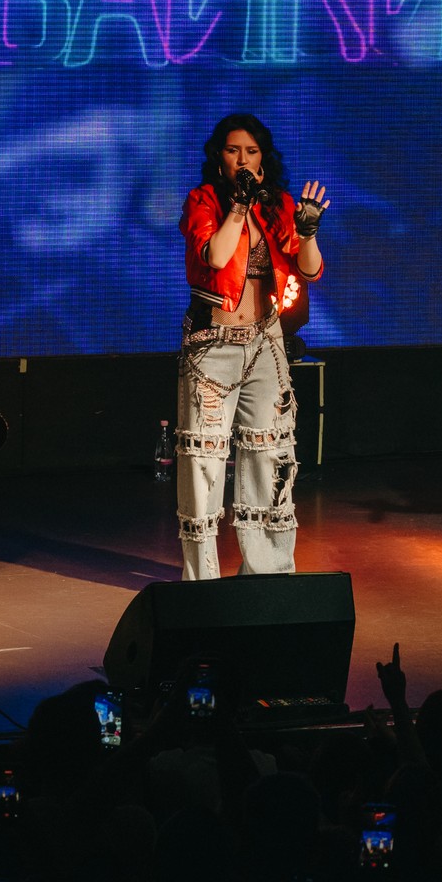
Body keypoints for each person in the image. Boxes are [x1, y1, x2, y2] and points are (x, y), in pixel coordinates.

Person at [176, 113, 328, 579]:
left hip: (266, 342)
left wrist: (308, 233)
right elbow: (216, 256)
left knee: (270, 456)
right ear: (219, 157)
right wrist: (238, 207)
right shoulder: (203, 201)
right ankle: (202, 580)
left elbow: (310, 269)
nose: (242, 159)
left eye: (251, 151)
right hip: (213, 346)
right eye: (232, 150)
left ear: (263, 158)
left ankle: (269, 573)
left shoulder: (279, 204)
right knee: (204, 461)